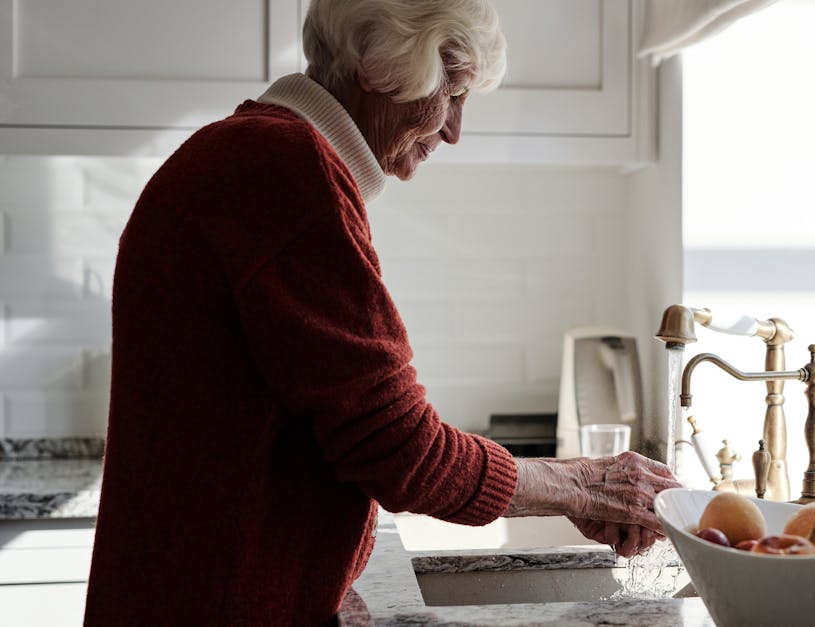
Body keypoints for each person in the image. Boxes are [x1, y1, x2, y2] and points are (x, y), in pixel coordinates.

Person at [83, 1, 680, 624]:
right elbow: (402, 451)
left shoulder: (249, 152)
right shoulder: (285, 171)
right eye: (451, 89)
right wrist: (578, 485)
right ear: (377, 62)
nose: (453, 129)